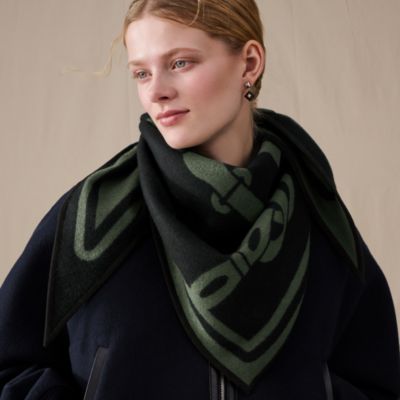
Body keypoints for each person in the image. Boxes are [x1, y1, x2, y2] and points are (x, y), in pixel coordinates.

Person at [0, 0, 399, 398]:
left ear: (249, 63)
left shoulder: (317, 214)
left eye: (180, 63)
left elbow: (377, 380)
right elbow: (9, 367)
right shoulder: (92, 220)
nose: (156, 91)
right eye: (141, 73)